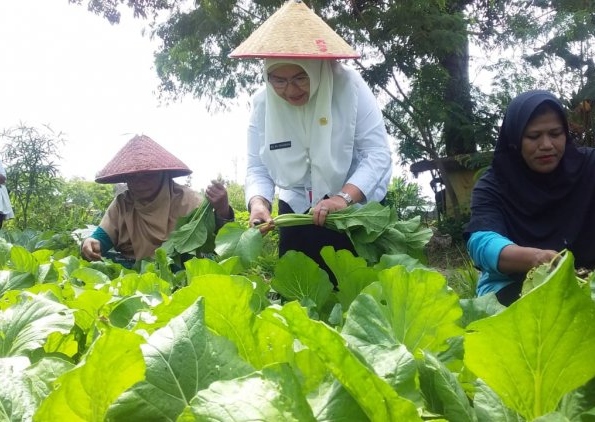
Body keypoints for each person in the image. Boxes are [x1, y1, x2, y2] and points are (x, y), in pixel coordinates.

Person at [230, 0, 392, 280]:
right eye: (277, 80)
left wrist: (343, 198)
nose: (289, 90)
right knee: (300, 296)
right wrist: (258, 203)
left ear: (316, 69)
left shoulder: (349, 88)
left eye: (299, 78)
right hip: (296, 209)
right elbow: (258, 167)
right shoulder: (262, 104)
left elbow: (377, 154)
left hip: (352, 212)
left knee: (356, 292)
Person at [465, 90, 595, 306]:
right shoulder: (494, 183)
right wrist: (535, 259)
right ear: (515, 139)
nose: (546, 145)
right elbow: (482, 243)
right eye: (533, 136)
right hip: (515, 287)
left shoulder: (592, 167)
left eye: (555, 133)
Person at [80, 134, 233, 265]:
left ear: (163, 174)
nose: (140, 182)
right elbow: (101, 238)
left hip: (179, 274)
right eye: (133, 177)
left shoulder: (189, 201)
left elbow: (218, 243)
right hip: (132, 274)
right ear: (125, 179)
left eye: (148, 175)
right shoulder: (123, 204)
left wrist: (223, 209)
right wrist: (91, 243)